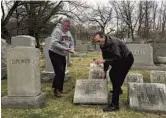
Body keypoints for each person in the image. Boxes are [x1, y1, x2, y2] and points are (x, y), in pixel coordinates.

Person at [92, 31, 134, 112]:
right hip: (118, 59)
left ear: (103, 37)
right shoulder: (102, 44)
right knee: (112, 74)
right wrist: (105, 70)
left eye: (98, 41)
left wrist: (104, 61)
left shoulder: (113, 43)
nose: (97, 43)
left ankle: (115, 105)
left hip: (126, 59)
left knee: (116, 77)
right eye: (96, 41)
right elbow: (106, 56)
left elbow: (117, 58)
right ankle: (118, 90)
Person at [48, 18, 75, 97]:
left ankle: (59, 89)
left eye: (69, 26)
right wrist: (65, 48)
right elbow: (54, 43)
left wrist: (72, 48)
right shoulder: (57, 31)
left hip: (63, 54)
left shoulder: (69, 32)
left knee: (62, 72)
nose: (68, 28)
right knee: (59, 71)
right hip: (54, 53)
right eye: (67, 26)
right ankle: (57, 90)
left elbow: (72, 42)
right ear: (63, 24)